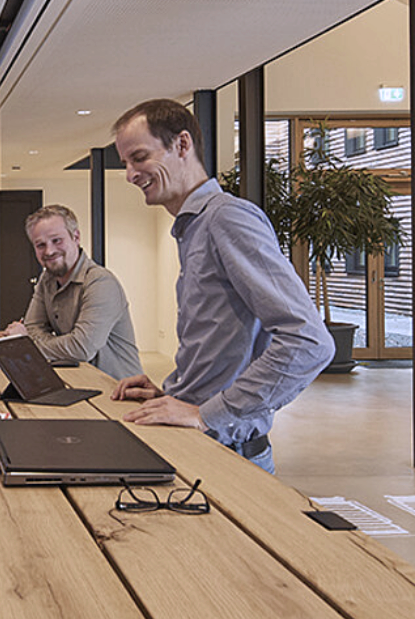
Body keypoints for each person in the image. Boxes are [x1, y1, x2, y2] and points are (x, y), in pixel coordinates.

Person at [110, 99, 334, 473]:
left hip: (229, 455)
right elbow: (223, 343)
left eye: (139, 157)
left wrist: (210, 413)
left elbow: (309, 341)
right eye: (126, 164)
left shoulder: (227, 218)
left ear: (182, 145)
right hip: (201, 445)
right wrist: (174, 394)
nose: (130, 174)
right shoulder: (193, 228)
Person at [3, 204, 142, 379]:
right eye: (40, 245)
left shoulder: (100, 282)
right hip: (79, 382)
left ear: (76, 237)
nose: (49, 251)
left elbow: (81, 348)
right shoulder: (47, 280)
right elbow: (32, 327)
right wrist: (31, 338)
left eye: (56, 240)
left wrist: (27, 344)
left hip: (117, 392)